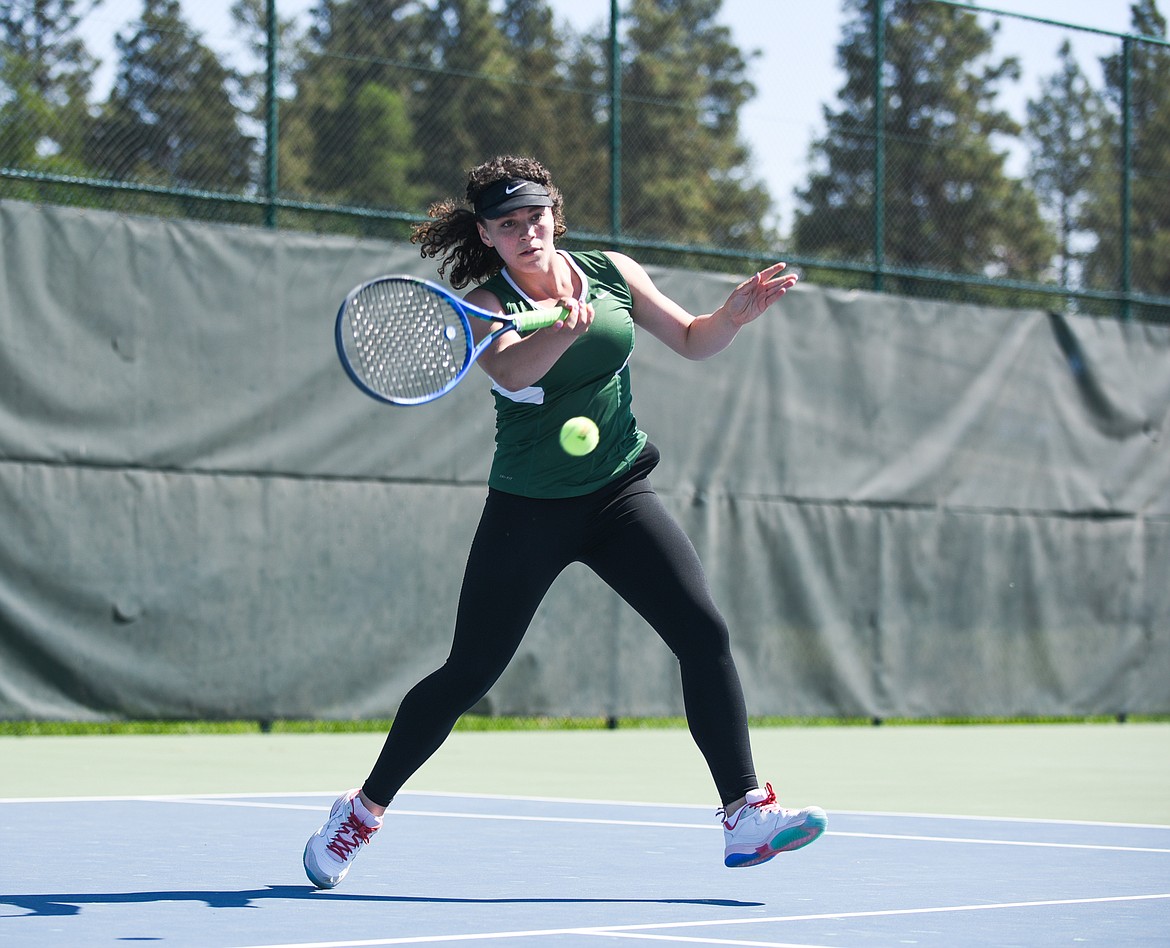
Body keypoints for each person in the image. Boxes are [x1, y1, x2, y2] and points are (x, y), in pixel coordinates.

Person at [303, 154, 826, 888]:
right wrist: (564, 331)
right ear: (486, 234)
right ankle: (360, 811)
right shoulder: (486, 305)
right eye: (509, 225)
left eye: (536, 218)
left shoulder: (611, 271)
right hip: (529, 511)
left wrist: (729, 317)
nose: (528, 233)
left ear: (555, 215)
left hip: (618, 494)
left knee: (702, 633)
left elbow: (691, 338)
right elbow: (516, 373)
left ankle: (744, 816)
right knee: (469, 673)